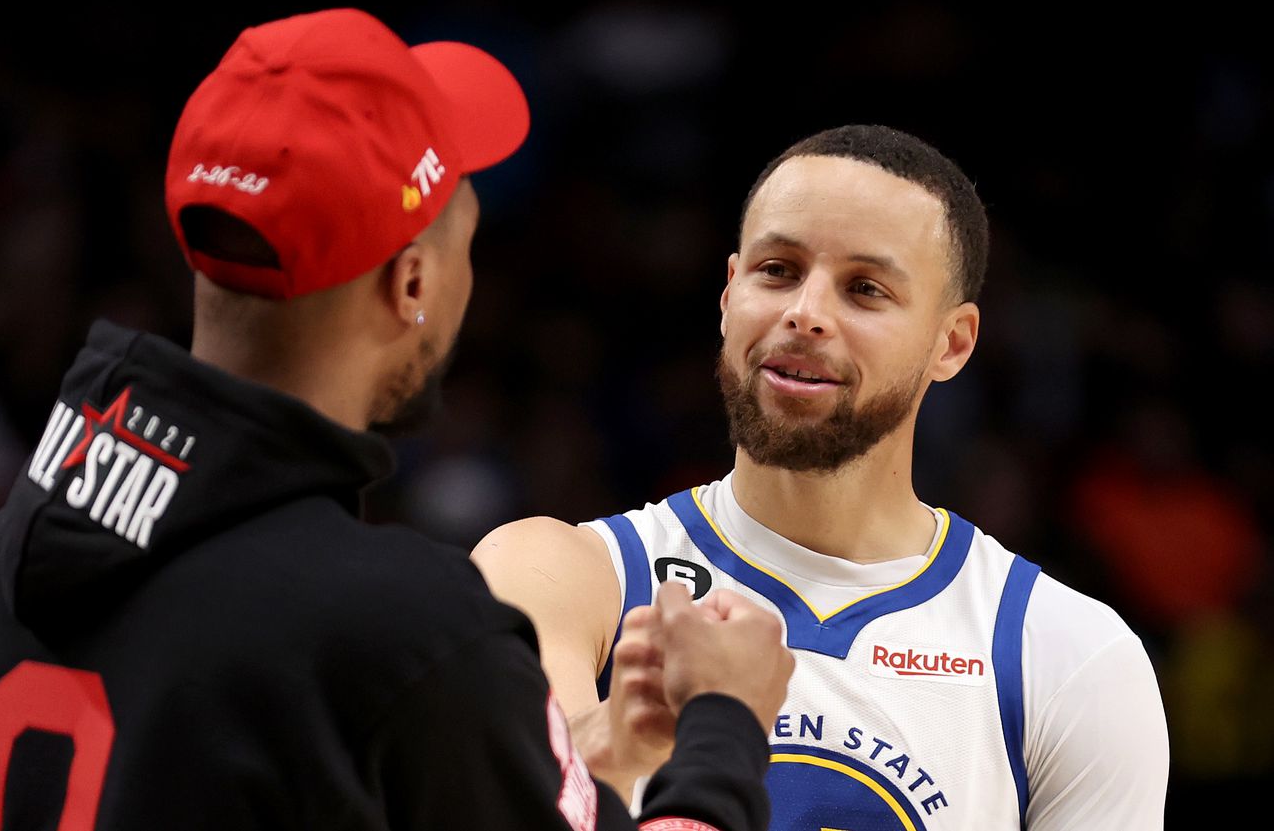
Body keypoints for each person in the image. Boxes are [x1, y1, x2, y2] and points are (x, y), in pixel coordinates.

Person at [0, 8, 796, 830]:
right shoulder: (406, 635)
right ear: (412, 286)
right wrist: (723, 728)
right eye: (466, 238)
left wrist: (573, 765)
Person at [473, 125, 1170, 830]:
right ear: (727, 296)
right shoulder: (559, 579)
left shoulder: (1069, 655)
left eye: (864, 289)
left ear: (950, 343)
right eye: (777, 270)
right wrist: (612, 747)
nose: (805, 313)